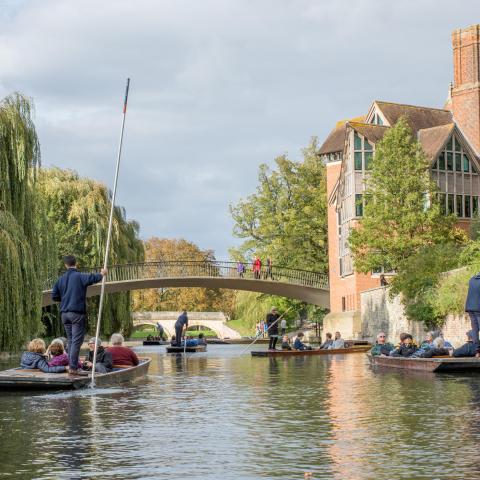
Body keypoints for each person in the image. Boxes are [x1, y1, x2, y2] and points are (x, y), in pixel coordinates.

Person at [51, 255, 107, 374]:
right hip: (76, 313)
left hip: (64, 314)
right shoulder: (79, 276)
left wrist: (65, 298)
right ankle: (73, 367)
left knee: (71, 340)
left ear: (65, 265)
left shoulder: (60, 280)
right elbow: (93, 278)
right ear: (76, 263)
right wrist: (102, 273)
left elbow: (54, 296)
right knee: (76, 341)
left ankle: (73, 364)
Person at [465, 272, 480, 352]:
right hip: (478, 308)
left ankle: (477, 351)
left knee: (475, 329)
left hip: (470, 307)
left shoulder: (471, 280)